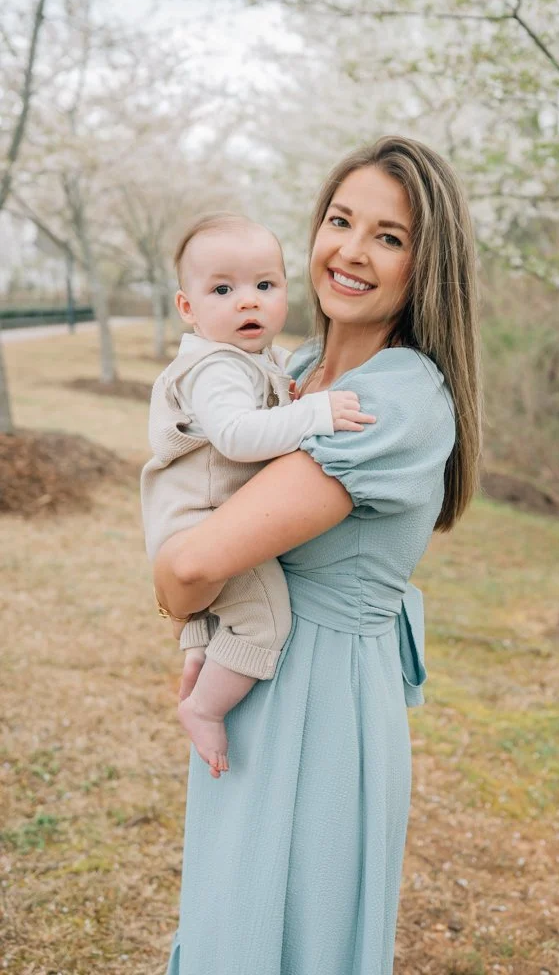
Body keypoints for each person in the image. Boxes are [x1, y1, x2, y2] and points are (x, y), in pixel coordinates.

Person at [154, 135, 481, 975]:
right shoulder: (293, 370)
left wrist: (178, 589)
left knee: (295, 933)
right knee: (232, 919)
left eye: (389, 236)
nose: (351, 251)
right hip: (252, 679)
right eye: (341, 221)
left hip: (325, 701)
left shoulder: (396, 399)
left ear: (427, 266)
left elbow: (190, 567)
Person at [141, 212, 375, 777]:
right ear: (188, 307)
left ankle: (199, 656)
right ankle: (204, 708)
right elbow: (237, 436)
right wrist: (314, 413)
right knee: (265, 621)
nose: (248, 301)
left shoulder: (259, 359)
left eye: (264, 285)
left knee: (224, 611)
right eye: (223, 290)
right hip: (203, 521)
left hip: (206, 516)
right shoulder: (216, 368)